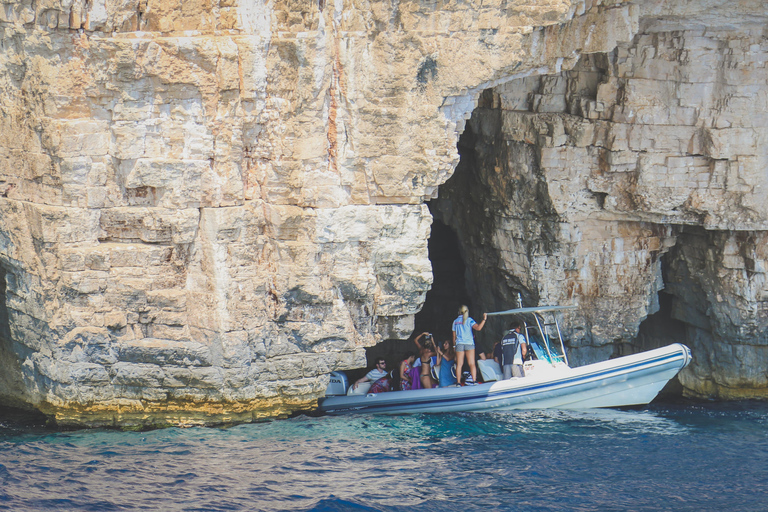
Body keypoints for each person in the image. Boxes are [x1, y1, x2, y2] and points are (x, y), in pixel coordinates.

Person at [452, 305, 486, 385]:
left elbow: (454, 336)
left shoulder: (455, 321)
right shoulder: (469, 320)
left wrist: (454, 346)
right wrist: (484, 319)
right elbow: (478, 328)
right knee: (472, 363)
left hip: (459, 343)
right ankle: (474, 380)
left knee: (459, 364)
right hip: (469, 343)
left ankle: (458, 382)